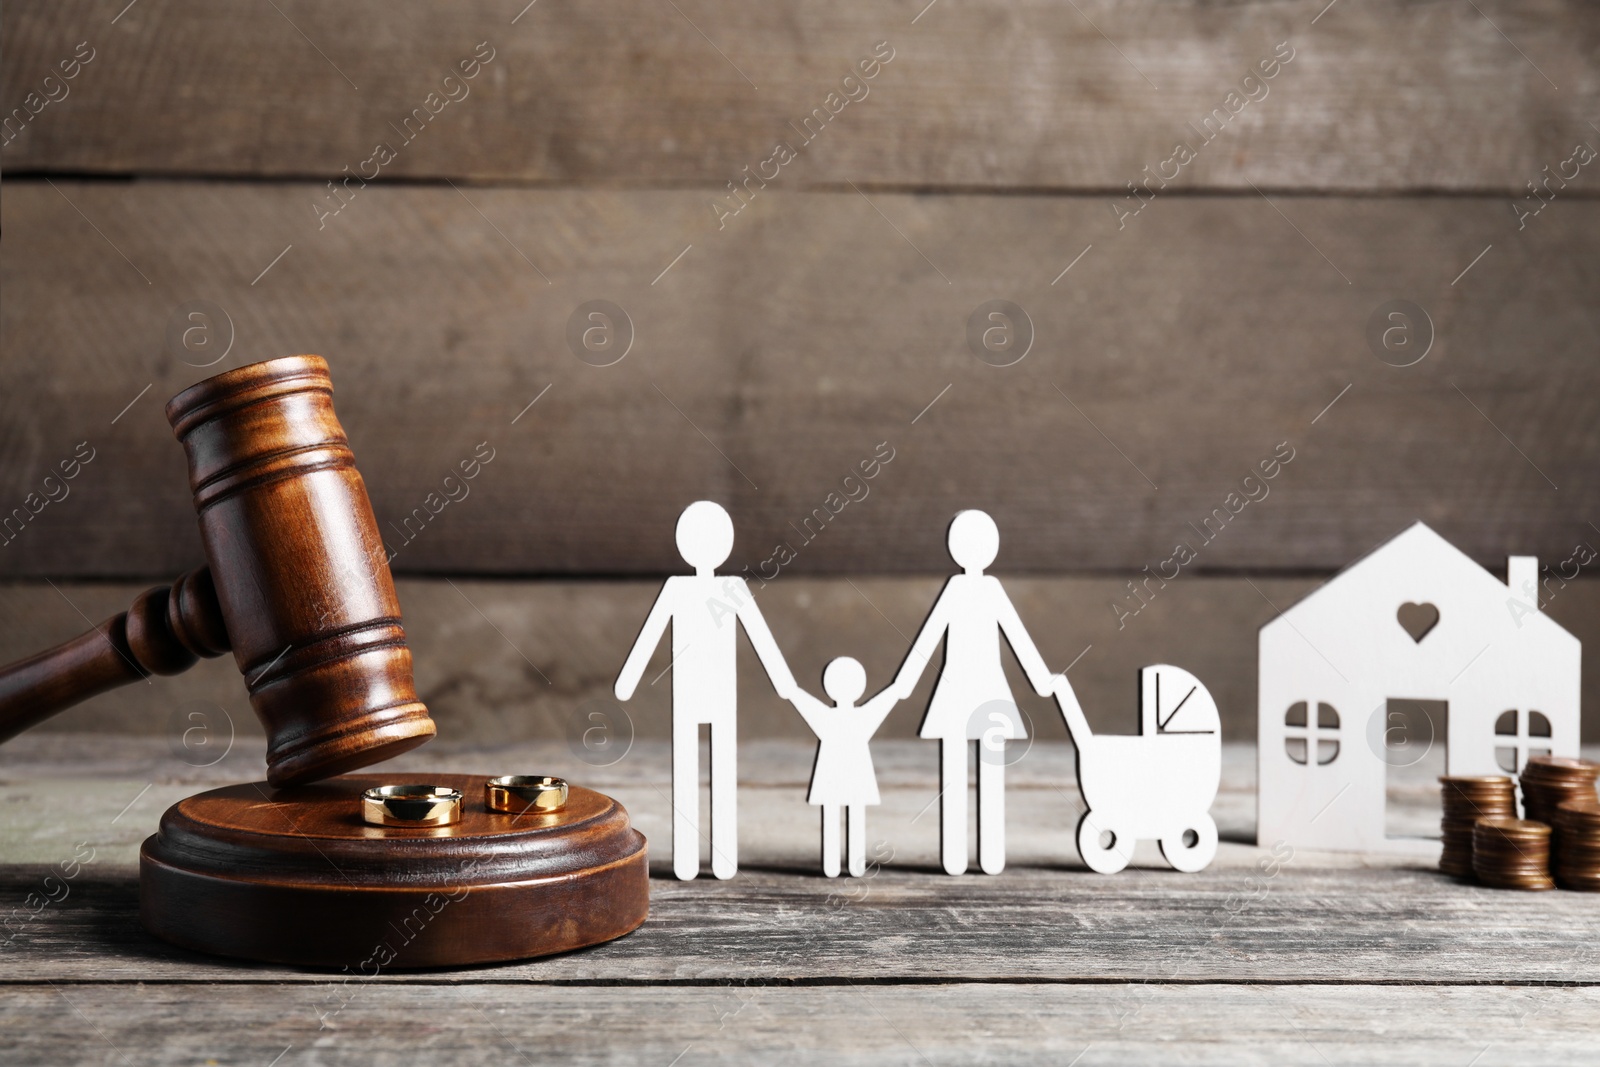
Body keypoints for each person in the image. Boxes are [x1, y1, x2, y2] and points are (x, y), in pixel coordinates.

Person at [615, 501, 796, 879]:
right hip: (687, 694)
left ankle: (722, 856)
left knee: (722, 768)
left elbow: (760, 636)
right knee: (686, 771)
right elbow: (650, 635)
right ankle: (686, 859)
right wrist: (628, 679)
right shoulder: (677, 589)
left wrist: (783, 680)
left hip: (718, 693)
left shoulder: (733, 588)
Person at [892, 510, 1054, 875]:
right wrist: (904, 681)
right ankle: (955, 855)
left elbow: (1016, 636)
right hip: (960, 688)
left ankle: (989, 853)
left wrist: (1041, 677)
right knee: (956, 771)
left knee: (988, 768)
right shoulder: (958, 589)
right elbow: (930, 635)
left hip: (983, 688)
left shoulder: (988, 589)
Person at [789, 657, 898, 877]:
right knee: (844, 812)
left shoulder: (831, 717)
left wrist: (791, 691)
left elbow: (796, 694)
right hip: (844, 773)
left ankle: (843, 864)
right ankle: (840, 865)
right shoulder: (859, 716)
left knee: (844, 811)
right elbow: (892, 694)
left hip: (844, 773)